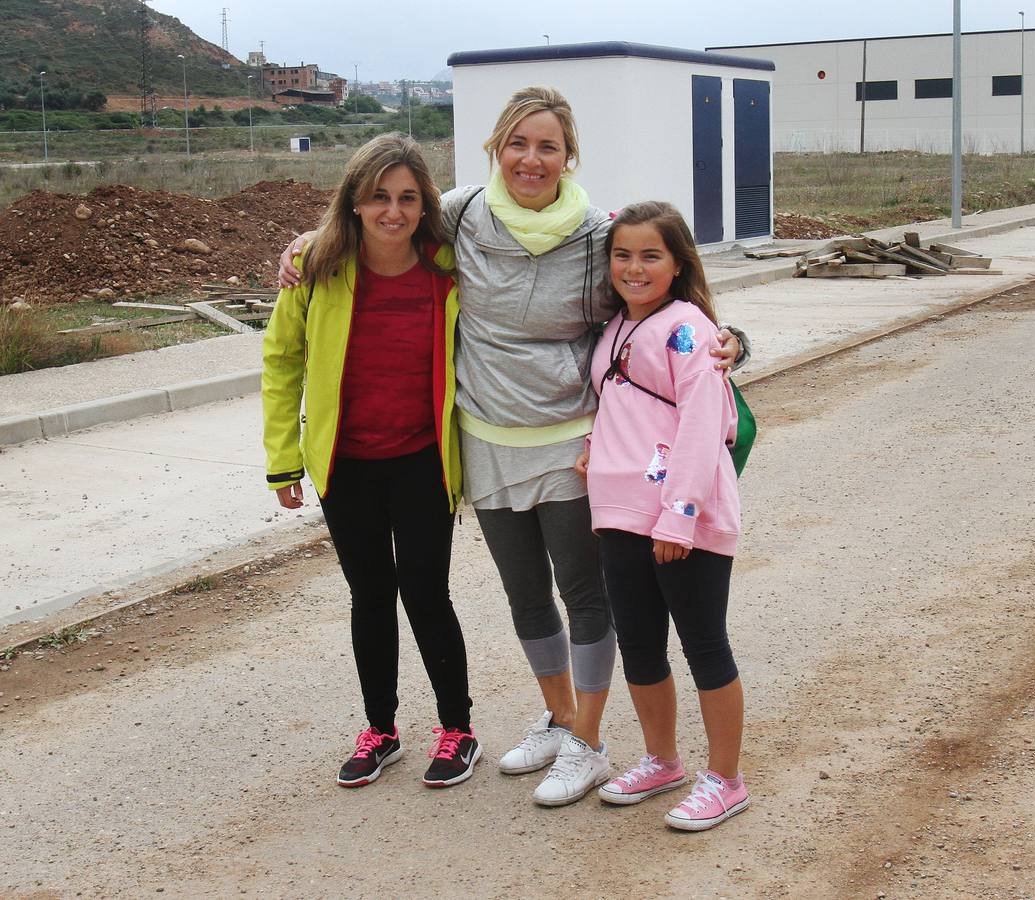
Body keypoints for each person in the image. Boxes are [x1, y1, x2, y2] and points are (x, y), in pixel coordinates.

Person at [279, 87, 743, 807]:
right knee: (525, 596)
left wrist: (731, 342)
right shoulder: (459, 215)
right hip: (485, 437)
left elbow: (660, 285)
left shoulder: (596, 231)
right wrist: (309, 245)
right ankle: (559, 717)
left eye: (548, 146)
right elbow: (379, 227)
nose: (531, 159)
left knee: (584, 596)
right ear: (497, 147)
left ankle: (588, 740)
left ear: (568, 155)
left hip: (572, 442)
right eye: (518, 144)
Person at [262, 133, 481, 791]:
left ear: (424, 205)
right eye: (378, 196)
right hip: (344, 465)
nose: (393, 211)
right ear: (354, 203)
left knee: (425, 592)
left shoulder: (448, 265)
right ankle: (380, 731)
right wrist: (283, 460)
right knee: (370, 596)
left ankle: (457, 730)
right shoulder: (317, 264)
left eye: (408, 197)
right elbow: (282, 360)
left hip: (422, 459)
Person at [576, 201, 747, 831]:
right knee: (640, 645)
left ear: (677, 264)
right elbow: (629, 404)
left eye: (651, 255)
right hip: (619, 510)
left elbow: (704, 427)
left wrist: (678, 517)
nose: (634, 267)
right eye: (623, 255)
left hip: (681, 518)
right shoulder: (617, 326)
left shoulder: (691, 329)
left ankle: (725, 779)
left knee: (704, 644)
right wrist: (597, 447)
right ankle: (662, 759)